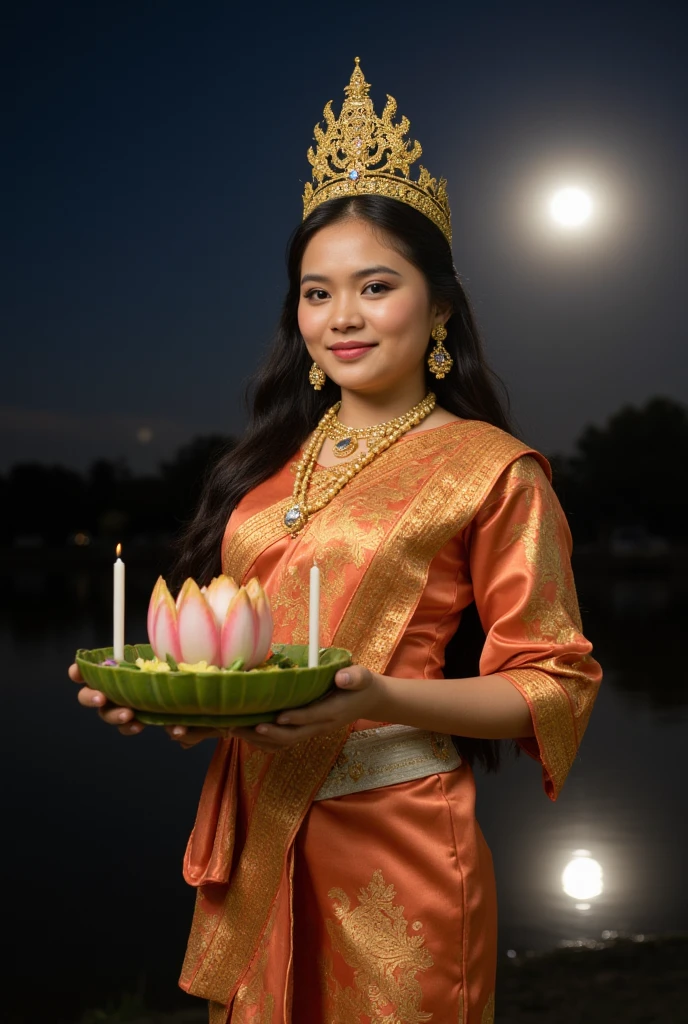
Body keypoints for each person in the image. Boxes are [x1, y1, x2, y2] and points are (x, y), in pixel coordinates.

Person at [70, 58, 602, 1023]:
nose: (342, 318)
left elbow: (553, 684)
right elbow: (256, 658)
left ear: (438, 308)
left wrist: (382, 693)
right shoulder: (270, 466)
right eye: (317, 294)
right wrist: (188, 709)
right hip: (263, 837)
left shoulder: (490, 469)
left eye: (375, 286)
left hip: (395, 845)